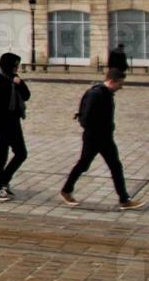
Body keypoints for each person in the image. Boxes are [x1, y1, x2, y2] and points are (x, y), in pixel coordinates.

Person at [61, 69, 143, 209]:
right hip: (94, 138)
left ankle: (124, 199)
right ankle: (66, 190)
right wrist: (96, 130)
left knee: (116, 166)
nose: (121, 87)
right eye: (120, 84)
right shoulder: (96, 94)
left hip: (106, 138)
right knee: (83, 164)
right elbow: (85, 118)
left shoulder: (107, 94)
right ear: (111, 81)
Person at [0, 52, 30, 201]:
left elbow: (27, 95)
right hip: (0, 124)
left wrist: (20, 83)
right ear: (9, 65)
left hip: (14, 122)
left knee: (21, 153)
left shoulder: (14, 79)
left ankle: (4, 180)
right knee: (1, 156)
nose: (17, 68)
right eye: (15, 65)